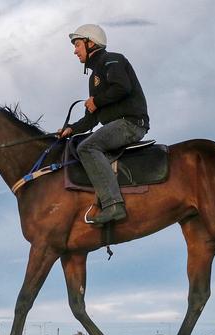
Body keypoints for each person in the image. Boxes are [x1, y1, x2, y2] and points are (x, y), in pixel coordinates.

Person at [58, 24, 150, 225]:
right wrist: (71, 128)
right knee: (81, 142)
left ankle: (113, 205)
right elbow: (92, 118)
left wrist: (96, 101)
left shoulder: (112, 60)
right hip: (117, 125)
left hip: (131, 124)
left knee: (88, 147)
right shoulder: (94, 78)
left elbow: (122, 87)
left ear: (91, 43)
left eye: (78, 45)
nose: (75, 51)